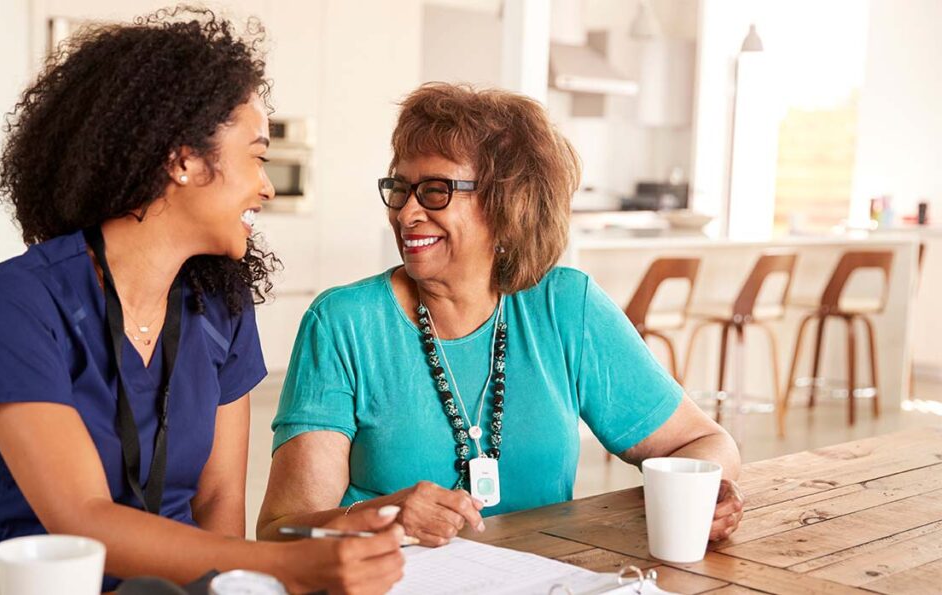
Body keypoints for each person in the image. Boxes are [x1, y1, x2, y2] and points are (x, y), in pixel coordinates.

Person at [0, 8, 403, 594]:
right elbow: (82, 516)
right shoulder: (17, 301)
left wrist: (232, 586)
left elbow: (218, 499)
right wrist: (290, 567)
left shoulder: (222, 305)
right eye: (257, 156)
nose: (265, 184)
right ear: (184, 159)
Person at [257, 83, 744, 546]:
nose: (406, 214)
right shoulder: (344, 324)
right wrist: (378, 518)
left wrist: (706, 494)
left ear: (507, 203)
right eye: (400, 189)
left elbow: (703, 442)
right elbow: (283, 529)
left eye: (435, 191)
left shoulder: (565, 307)